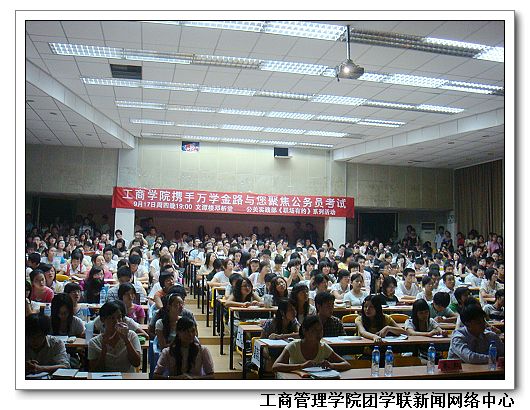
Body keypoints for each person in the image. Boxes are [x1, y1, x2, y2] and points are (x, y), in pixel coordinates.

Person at [271, 316, 351, 372]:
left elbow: (346, 364)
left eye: (321, 330)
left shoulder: (323, 347)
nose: (319, 334)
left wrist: (331, 365)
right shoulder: (294, 346)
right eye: (314, 330)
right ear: (304, 331)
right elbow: (275, 366)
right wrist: (301, 366)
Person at [88, 301, 142, 372]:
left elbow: (136, 363)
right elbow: (95, 370)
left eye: (119, 317)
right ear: (102, 320)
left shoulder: (131, 335)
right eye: (111, 318)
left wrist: (126, 340)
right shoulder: (94, 342)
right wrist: (104, 349)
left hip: (126, 377)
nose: (117, 322)